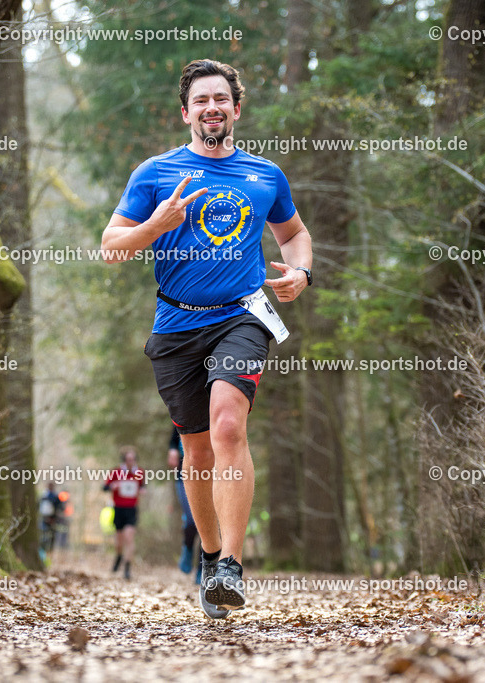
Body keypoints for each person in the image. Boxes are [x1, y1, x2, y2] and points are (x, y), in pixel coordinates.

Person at [101, 59, 312, 618]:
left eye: (222, 98)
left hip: (241, 316)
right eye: (201, 100)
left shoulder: (265, 174)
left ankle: (231, 568)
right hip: (174, 325)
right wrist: (156, 227)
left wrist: (302, 273)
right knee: (195, 449)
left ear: (236, 109)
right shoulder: (155, 173)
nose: (212, 108)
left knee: (226, 424)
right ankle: (211, 559)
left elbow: (293, 233)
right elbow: (111, 247)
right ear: (186, 112)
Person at [103, 446, 145, 580]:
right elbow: (104, 487)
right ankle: (119, 556)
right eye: (128, 459)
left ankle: (127, 568)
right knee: (119, 541)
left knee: (129, 537)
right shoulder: (116, 472)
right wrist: (113, 486)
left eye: (132, 459)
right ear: (124, 460)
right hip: (118, 508)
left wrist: (143, 491)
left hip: (131, 509)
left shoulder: (139, 472)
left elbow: (142, 487)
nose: (130, 462)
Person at [168, 426, 200, 581]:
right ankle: (187, 548)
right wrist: (173, 449)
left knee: (208, 523)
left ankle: (202, 568)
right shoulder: (187, 406)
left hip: (211, 475)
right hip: (184, 476)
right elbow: (175, 435)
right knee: (192, 518)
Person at [39, 483, 64, 560]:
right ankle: (45, 555)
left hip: (48, 520)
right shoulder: (50, 496)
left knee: (47, 538)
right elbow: (61, 508)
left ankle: (47, 555)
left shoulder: (44, 496)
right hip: (48, 521)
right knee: (46, 538)